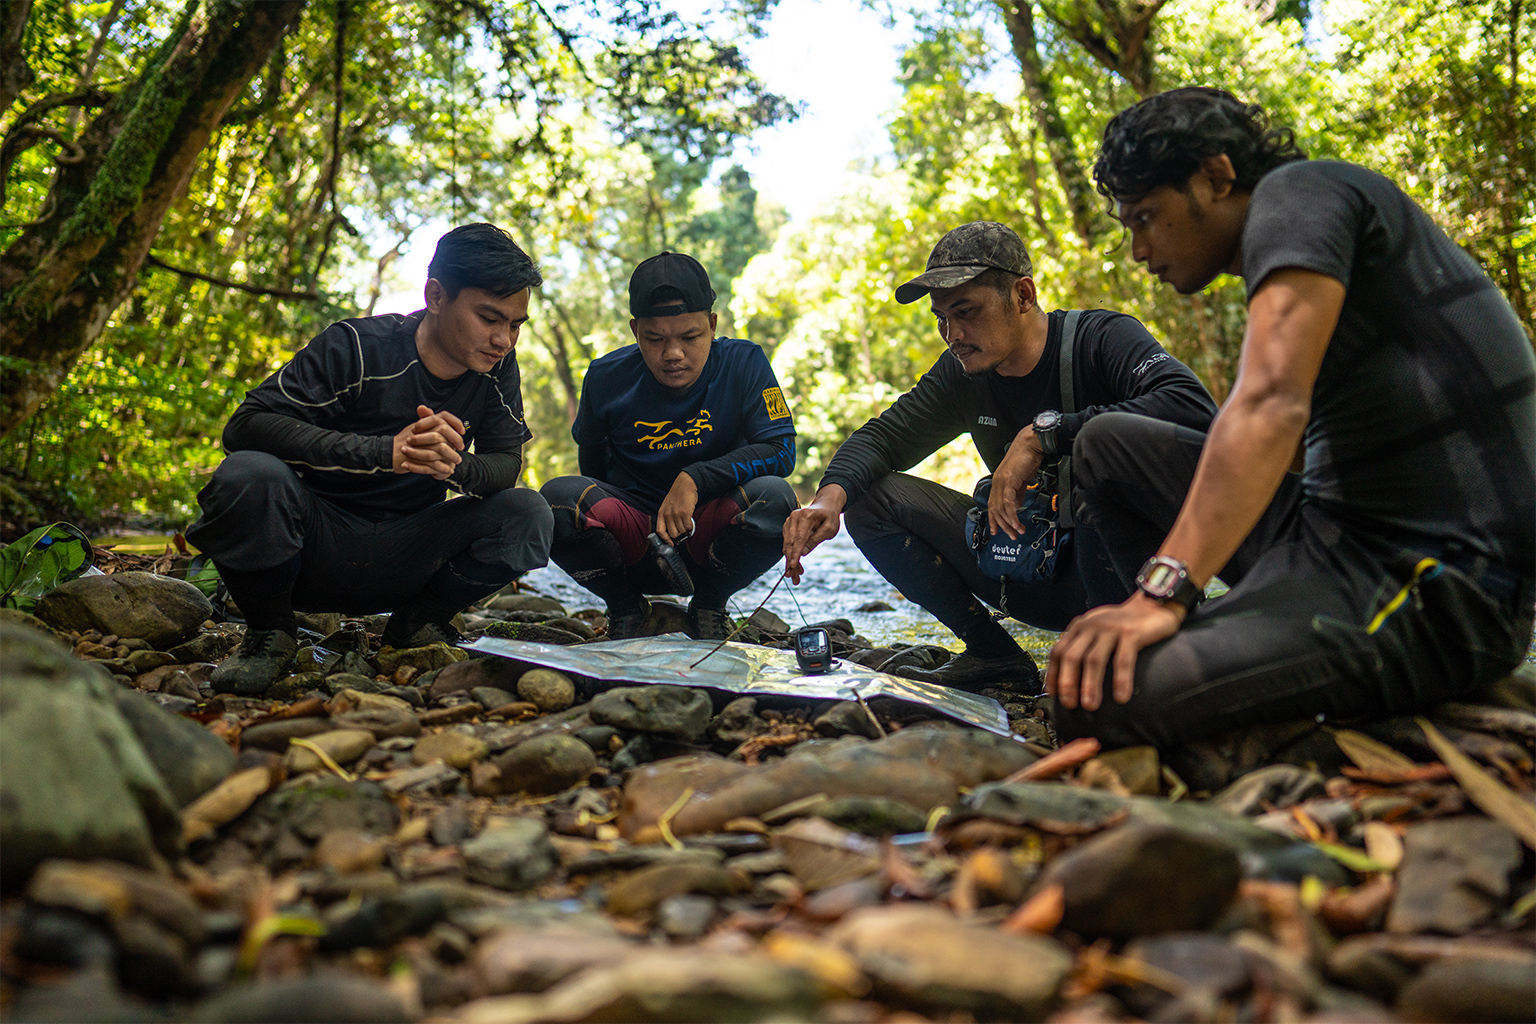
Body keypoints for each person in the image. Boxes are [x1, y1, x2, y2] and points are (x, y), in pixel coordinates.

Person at [1047, 87, 1536, 754]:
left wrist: (1160, 592)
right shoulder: (1291, 236)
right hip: (1327, 534)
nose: (1138, 250)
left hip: (1437, 590)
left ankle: (1200, 661)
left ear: (1216, 177)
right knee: (1103, 443)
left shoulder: (1300, 194)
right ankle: (1191, 642)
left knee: (1099, 698)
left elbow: (1270, 403)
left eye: (1146, 217)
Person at [782, 221, 1218, 691]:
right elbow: (883, 437)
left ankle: (1120, 659)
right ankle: (994, 655)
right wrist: (828, 500)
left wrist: (1041, 436)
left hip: (1133, 580)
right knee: (868, 498)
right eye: (942, 318)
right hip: (1029, 571)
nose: (953, 333)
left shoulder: (1101, 338)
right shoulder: (962, 372)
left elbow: (1193, 410)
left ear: (1023, 296)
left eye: (966, 311)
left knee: (1099, 456)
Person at [187, 223, 555, 694]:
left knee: (528, 512)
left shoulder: (495, 369)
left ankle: (415, 625)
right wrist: (387, 453)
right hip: (309, 550)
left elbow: (506, 462)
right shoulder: (357, 347)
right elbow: (246, 426)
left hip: (406, 554)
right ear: (437, 296)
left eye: (515, 324)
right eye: (490, 318)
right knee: (248, 474)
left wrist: (452, 465)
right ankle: (269, 634)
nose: (503, 339)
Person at [540, 251, 797, 640]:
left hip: (711, 538)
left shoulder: (745, 363)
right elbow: (590, 472)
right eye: (655, 339)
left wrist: (695, 479)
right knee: (557, 502)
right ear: (634, 331)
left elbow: (782, 450)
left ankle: (710, 605)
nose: (673, 354)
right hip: (637, 542)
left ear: (712, 325)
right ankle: (627, 608)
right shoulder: (605, 377)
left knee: (776, 499)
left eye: (690, 337)